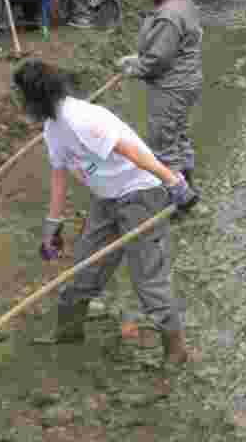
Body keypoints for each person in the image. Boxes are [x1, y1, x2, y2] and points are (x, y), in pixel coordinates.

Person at [15, 60, 198, 363]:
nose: (19, 103)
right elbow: (59, 173)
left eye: (21, 97)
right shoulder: (53, 128)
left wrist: (172, 182)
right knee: (83, 269)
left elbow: (131, 150)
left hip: (142, 194)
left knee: (148, 280)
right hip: (107, 199)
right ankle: (68, 335)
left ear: (36, 96)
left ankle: (177, 352)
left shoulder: (80, 119)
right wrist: (53, 223)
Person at [118, 0, 203, 197]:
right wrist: (137, 58)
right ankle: (188, 183)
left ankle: (176, 198)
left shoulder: (169, 14)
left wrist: (134, 68)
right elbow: (173, 47)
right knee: (179, 135)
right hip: (188, 81)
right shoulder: (185, 3)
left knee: (162, 143)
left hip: (171, 87)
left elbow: (158, 60)